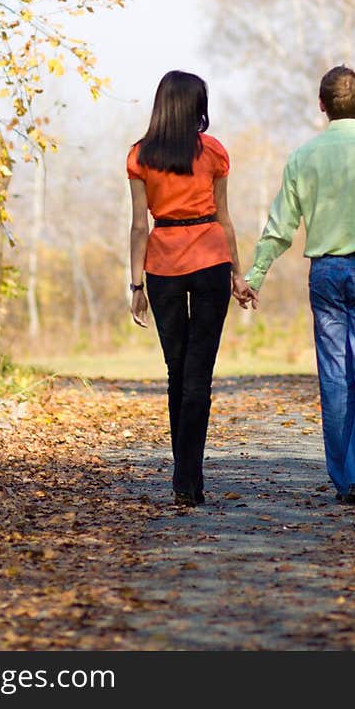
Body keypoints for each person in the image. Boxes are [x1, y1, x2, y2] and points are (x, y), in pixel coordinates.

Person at [242, 65, 355, 506]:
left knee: (335, 375)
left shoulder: (304, 156)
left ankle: (344, 479)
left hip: (326, 274)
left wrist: (255, 275)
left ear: (322, 106)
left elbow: (280, 226)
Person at [127, 69, 255, 507]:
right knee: (198, 375)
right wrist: (238, 274)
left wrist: (135, 283)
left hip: (162, 264)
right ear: (197, 106)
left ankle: (184, 476)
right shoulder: (213, 151)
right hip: (211, 262)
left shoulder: (140, 155)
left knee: (176, 372)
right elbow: (224, 217)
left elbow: (138, 225)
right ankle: (188, 479)